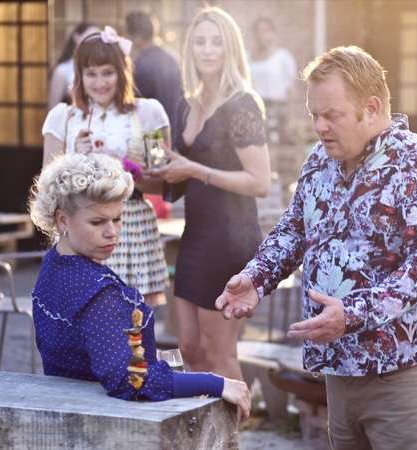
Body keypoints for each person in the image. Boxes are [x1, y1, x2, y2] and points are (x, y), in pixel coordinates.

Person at [216, 46, 417, 450]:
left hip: (405, 372)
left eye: (332, 115)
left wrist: (353, 314)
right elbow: (295, 229)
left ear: (371, 107)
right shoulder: (319, 160)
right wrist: (256, 278)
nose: (320, 127)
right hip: (340, 368)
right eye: (314, 114)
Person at [28, 152, 250, 417]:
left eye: (117, 218)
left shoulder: (54, 263)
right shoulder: (97, 293)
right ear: (63, 219)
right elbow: (132, 380)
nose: (112, 231)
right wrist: (215, 382)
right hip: (104, 421)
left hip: (66, 407)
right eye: (97, 222)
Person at [147, 7, 270, 381]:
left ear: (230, 47)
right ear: (190, 49)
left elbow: (259, 182)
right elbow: (178, 183)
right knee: (188, 347)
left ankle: (230, 437)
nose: (207, 49)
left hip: (231, 238)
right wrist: (145, 171)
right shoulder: (187, 103)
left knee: (218, 351)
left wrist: (194, 170)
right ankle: (205, 433)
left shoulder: (242, 104)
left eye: (216, 41)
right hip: (196, 236)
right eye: (200, 41)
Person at [41, 26, 169, 307]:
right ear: (80, 76)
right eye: (91, 73)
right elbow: (48, 190)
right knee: (81, 322)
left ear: (122, 72)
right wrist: (74, 160)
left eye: (107, 72)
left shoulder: (149, 113)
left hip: (129, 225)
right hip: (78, 230)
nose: (100, 82)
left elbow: (163, 181)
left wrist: (123, 167)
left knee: (133, 325)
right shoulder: (62, 118)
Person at [125, 10, 184, 130]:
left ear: (136, 36)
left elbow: (136, 106)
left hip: (152, 134)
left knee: (155, 150)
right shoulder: (173, 58)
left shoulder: (139, 65)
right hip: (174, 129)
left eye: (128, 35)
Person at [249, 16, 297, 144]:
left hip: (278, 109)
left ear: (272, 33)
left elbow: (290, 89)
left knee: (275, 144)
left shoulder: (283, 57)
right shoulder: (248, 57)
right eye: (258, 31)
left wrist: (290, 118)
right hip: (256, 108)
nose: (261, 35)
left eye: (265, 31)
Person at [48, 23, 99, 110]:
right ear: (76, 37)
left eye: (97, 38)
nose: (93, 42)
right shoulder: (62, 70)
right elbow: (53, 105)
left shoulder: (101, 67)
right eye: (89, 36)